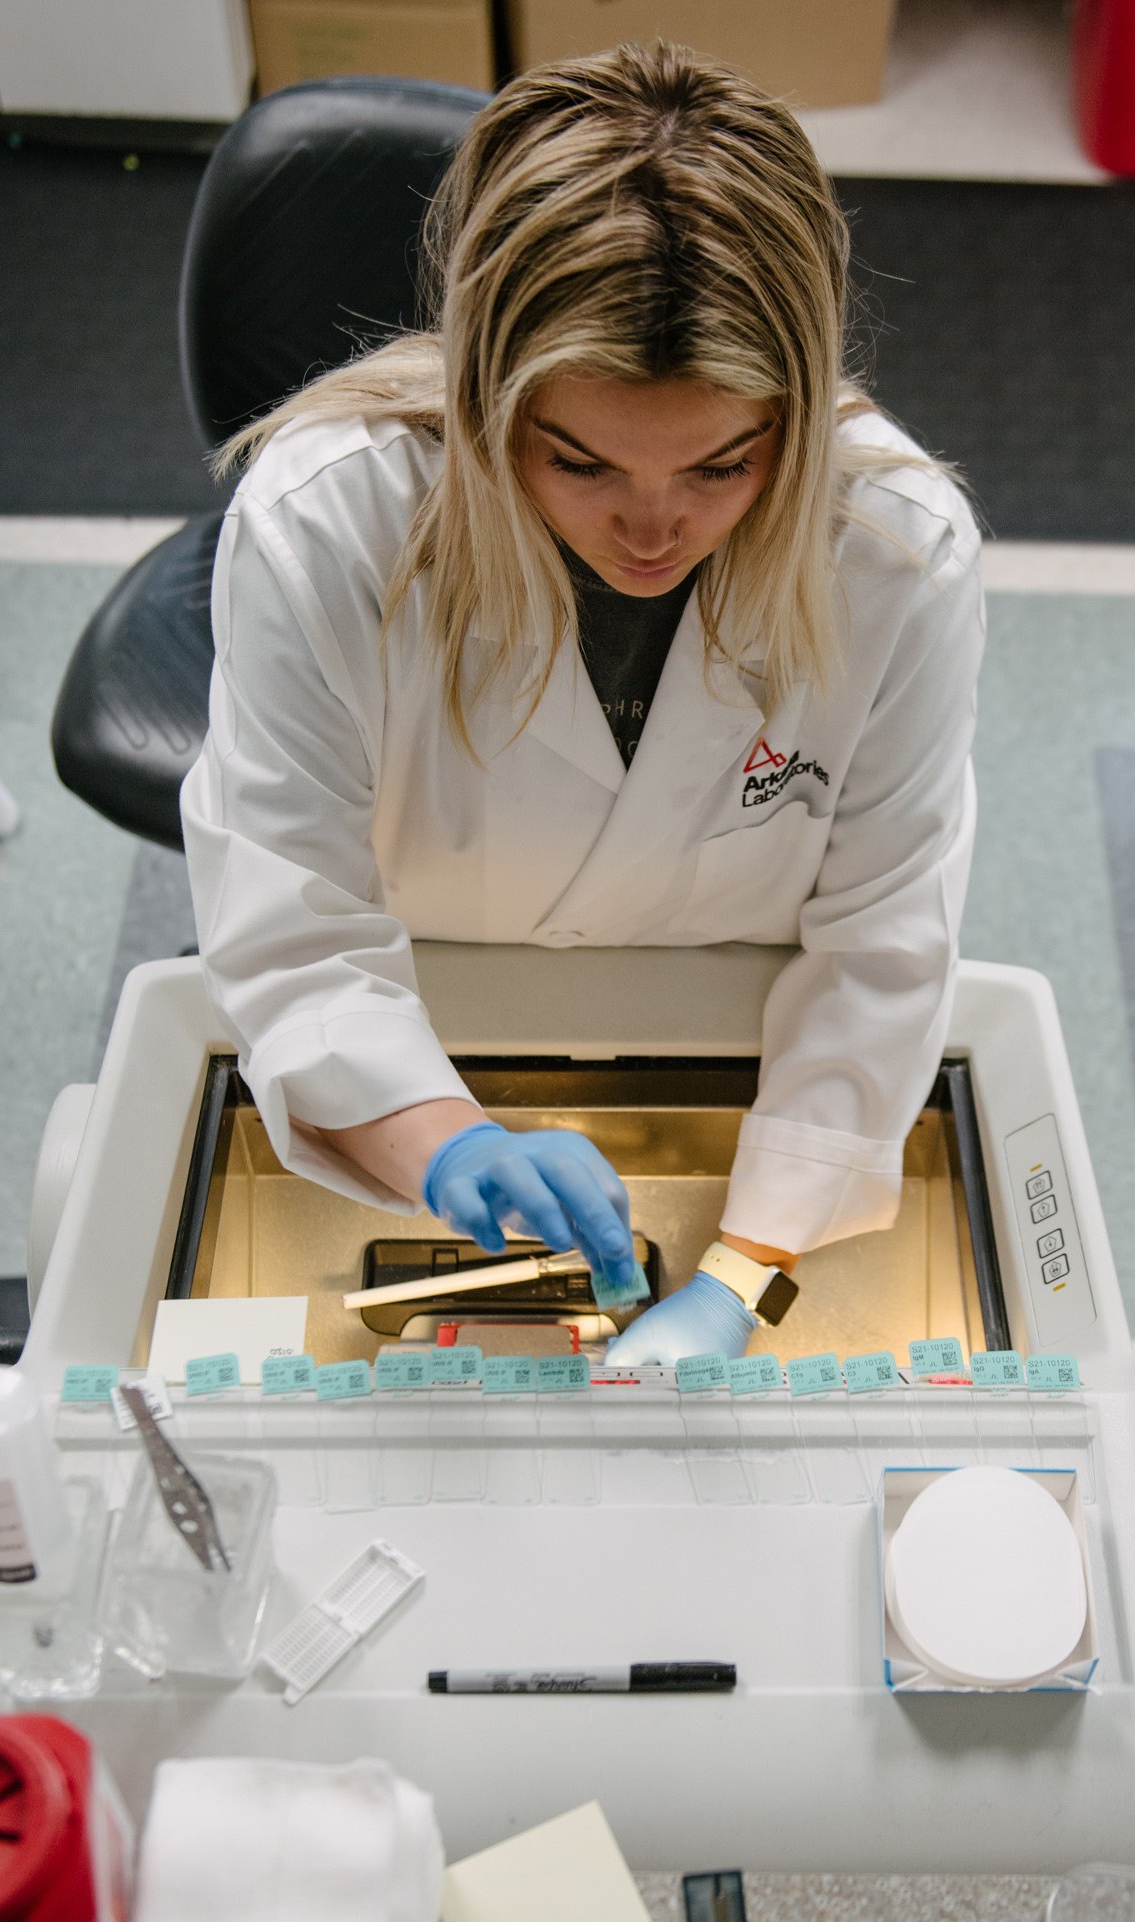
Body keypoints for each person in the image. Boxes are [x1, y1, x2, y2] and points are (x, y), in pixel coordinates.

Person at [180, 41, 984, 1366]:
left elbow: (882, 946)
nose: (654, 528)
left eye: (728, 461)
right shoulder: (329, 522)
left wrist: (744, 1276)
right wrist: (449, 1140)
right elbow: (293, 923)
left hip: (734, 996)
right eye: (580, 459)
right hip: (424, 979)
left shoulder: (894, 554)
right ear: (489, 396)